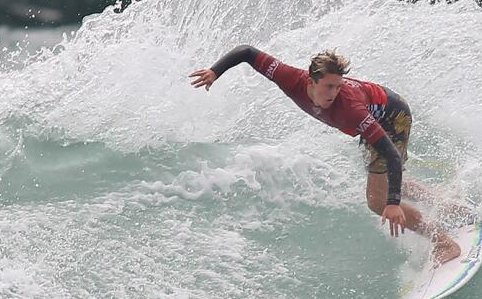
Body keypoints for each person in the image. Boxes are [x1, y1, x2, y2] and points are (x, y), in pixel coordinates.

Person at [188, 46, 462, 264]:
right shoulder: (290, 78)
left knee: (377, 200)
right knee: (387, 182)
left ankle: (443, 241)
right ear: (311, 81)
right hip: (379, 112)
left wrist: (392, 204)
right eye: (329, 86)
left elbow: (390, 153)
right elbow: (247, 52)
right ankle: (445, 204)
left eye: (338, 86)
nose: (334, 92)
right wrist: (215, 72)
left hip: (393, 117)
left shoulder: (351, 108)